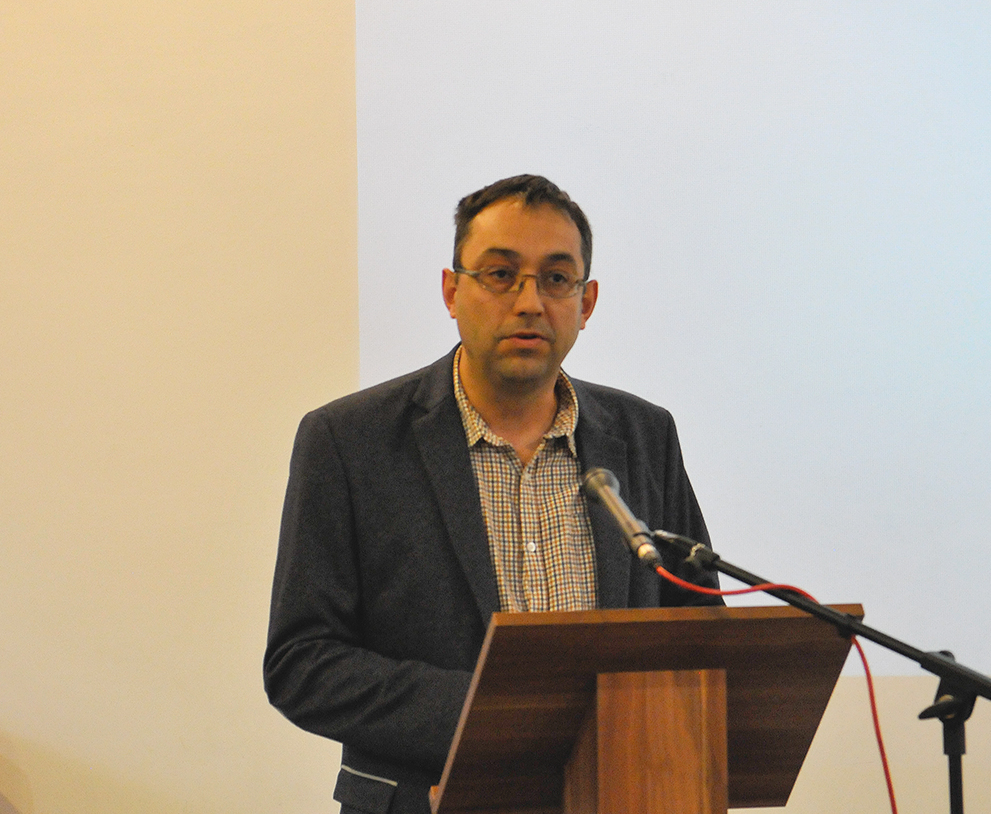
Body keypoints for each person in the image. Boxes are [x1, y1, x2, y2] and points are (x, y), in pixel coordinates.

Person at [264, 175, 720, 814]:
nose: (530, 302)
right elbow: (302, 662)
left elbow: (696, 629)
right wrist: (495, 709)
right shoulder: (349, 440)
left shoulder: (644, 436)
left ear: (587, 302)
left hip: (621, 793)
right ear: (452, 291)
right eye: (501, 275)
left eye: (556, 279)